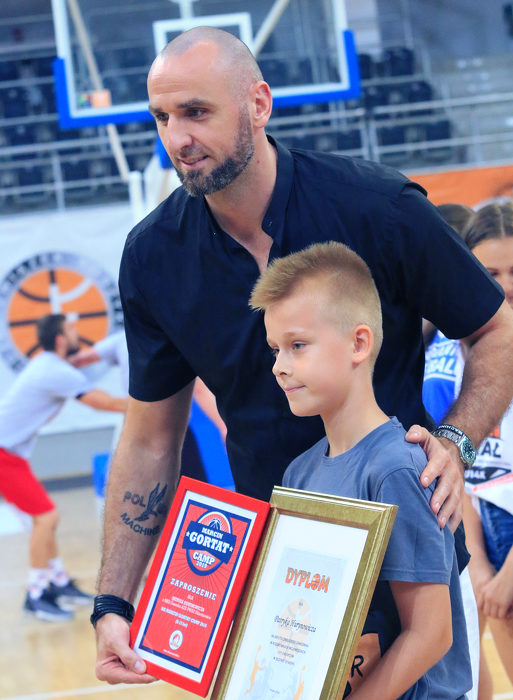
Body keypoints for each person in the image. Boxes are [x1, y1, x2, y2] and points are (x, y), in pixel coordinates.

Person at [93, 27, 513, 684]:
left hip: (414, 556)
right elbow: (150, 438)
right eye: (162, 117)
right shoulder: (153, 257)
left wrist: (455, 444)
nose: (177, 138)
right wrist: (113, 602)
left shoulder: (377, 207)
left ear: (258, 104)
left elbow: (496, 329)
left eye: (196, 111)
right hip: (284, 575)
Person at [250, 241, 471, 699]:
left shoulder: (397, 468)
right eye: (275, 350)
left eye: (297, 346)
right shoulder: (298, 474)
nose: (279, 367)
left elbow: (430, 634)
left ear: (358, 343)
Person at [424, 202, 513, 699]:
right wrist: (477, 562)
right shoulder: (445, 357)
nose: (504, 286)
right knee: (473, 675)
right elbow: (459, 468)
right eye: (490, 273)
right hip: (474, 524)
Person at [0, 314, 127, 621]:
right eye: (71, 330)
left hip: (10, 453)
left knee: (46, 518)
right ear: (59, 339)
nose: (76, 333)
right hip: (3, 454)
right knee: (46, 518)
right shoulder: (54, 371)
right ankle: (35, 595)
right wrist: (153, 406)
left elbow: (86, 366)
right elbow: (104, 402)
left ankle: (57, 582)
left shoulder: (49, 365)